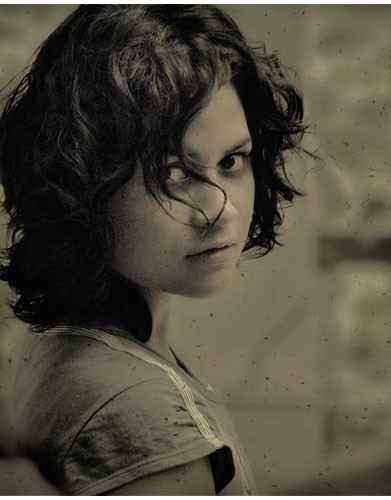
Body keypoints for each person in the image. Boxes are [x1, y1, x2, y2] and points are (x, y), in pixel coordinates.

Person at [0, 5, 307, 495]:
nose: (221, 209)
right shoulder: (139, 411)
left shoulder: (65, 339)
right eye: (173, 172)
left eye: (232, 160)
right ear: (80, 185)